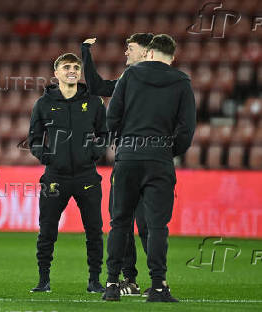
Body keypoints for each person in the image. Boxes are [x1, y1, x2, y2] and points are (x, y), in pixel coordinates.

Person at [103, 34, 196, 302]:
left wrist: (125, 145)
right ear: (172, 57)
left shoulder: (129, 76)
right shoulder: (181, 81)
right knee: (157, 226)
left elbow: (112, 118)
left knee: (119, 221)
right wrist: (169, 150)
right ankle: (158, 286)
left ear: (150, 53)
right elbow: (187, 128)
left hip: (129, 156)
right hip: (159, 158)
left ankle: (112, 285)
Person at [81, 33, 154, 296]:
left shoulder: (161, 82)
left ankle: (157, 280)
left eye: (131, 48)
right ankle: (130, 280)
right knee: (121, 220)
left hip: (147, 160)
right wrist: (85, 55)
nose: (126, 53)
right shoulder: (126, 80)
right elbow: (97, 87)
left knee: (146, 224)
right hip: (126, 159)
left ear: (146, 52)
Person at [28, 53, 107, 293]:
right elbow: (34, 138)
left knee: (94, 230)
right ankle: (43, 280)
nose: (72, 70)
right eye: (66, 67)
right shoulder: (43, 103)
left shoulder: (94, 102)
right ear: (57, 73)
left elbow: (104, 134)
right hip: (55, 177)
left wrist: (94, 153)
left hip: (87, 177)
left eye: (75, 67)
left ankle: (94, 281)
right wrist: (47, 157)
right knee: (47, 230)